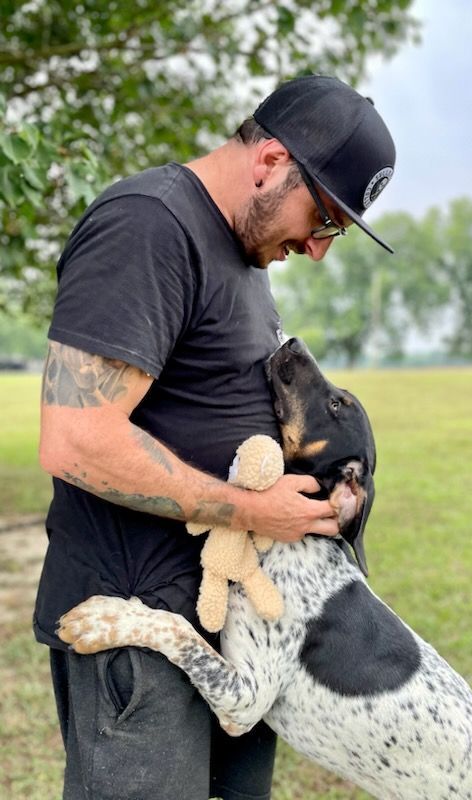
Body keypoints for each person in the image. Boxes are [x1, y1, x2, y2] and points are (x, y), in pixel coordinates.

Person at [35, 74, 396, 800]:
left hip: (232, 637)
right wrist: (254, 512)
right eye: (324, 218)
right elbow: (75, 441)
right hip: (140, 630)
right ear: (269, 161)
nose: (320, 248)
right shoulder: (149, 224)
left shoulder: (242, 250)